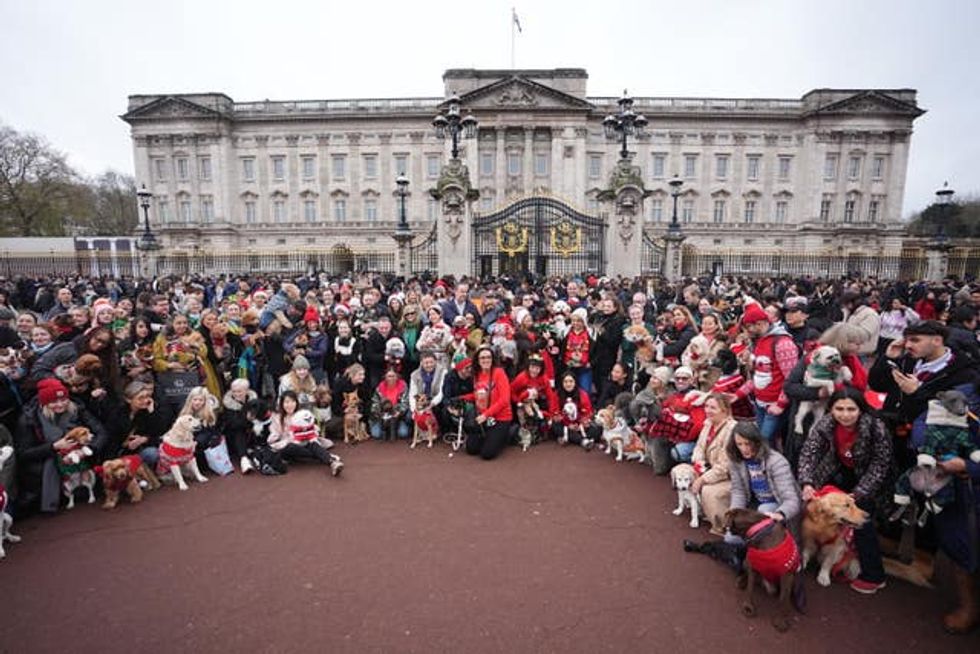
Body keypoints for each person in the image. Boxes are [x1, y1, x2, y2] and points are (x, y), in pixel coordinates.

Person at [797, 387, 891, 594]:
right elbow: (808, 453)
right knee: (814, 506)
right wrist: (807, 482)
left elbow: (880, 465)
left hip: (871, 479)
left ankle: (874, 576)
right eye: (839, 408)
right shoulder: (826, 423)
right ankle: (808, 553)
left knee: (861, 522)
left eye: (851, 409)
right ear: (831, 409)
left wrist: (858, 494)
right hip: (840, 470)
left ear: (861, 410)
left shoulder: (876, 428)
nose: (845, 414)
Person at [14, 378, 108, 514]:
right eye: (54, 401)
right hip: (50, 459)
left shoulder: (78, 408)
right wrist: (53, 447)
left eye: (64, 399)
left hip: (81, 453)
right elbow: (23, 453)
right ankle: (52, 500)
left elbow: (101, 432)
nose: (60, 404)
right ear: (44, 402)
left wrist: (88, 450)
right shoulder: (29, 419)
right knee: (50, 464)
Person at [733, 302, 798, 444]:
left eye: (748, 327)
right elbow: (758, 377)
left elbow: (791, 378)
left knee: (763, 442)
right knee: (765, 443)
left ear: (760, 324)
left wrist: (780, 404)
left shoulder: (783, 343)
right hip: (760, 403)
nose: (747, 331)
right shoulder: (759, 342)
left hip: (774, 404)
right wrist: (737, 395)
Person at [727, 421, 801, 541]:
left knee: (763, 511)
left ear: (757, 442)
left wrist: (780, 514)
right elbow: (738, 491)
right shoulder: (736, 460)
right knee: (731, 538)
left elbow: (792, 500)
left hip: (777, 505)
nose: (744, 449)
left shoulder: (776, 462)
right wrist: (734, 514)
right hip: (755, 503)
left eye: (748, 443)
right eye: (739, 444)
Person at [689, 393, 737, 535]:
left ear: (725, 411)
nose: (708, 410)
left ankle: (721, 526)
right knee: (680, 471)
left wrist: (703, 478)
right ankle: (699, 509)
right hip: (708, 467)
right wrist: (699, 463)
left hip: (728, 476)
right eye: (707, 406)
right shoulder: (708, 423)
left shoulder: (732, 429)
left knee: (709, 491)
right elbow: (699, 447)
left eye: (713, 408)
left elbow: (725, 466)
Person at [268, 390, 343, 476]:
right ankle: (325, 456)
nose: (290, 405)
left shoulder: (302, 414)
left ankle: (332, 462)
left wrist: (312, 431)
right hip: (288, 446)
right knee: (291, 447)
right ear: (282, 404)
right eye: (287, 402)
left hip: (304, 443)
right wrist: (274, 437)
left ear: (296, 403)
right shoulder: (277, 417)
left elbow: (313, 428)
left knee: (312, 444)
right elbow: (274, 436)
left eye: (293, 401)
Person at [462, 346, 512, 460]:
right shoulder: (476, 375)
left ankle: (505, 436)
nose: (486, 360)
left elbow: (505, 399)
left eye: (489, 357)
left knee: (487, 454)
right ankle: (491, 437)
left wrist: (486, 415)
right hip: (483, 417)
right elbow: (477, 395)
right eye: (483, 358)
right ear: (478, 361)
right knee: (471, 449)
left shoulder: (499, 373)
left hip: (500, 418)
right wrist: (461, 398)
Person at [550, 371, 598, 449]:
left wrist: (580, 424)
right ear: (562, 383)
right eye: (565, 382)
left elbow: (588, 412)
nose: (568, 384)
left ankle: (568, 438)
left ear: (575, 382)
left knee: (596, 429)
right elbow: (554, 413)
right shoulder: (556, 395)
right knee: (555, 425)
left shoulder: (582, 394)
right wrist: (568, 425)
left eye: (571, 381)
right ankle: (583, 441)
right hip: (564, 424)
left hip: (580, 425)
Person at [369, 367, 410, 440]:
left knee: (403, 434)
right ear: (385, 377)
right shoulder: (379, 388)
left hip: (397, 416)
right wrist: (379, 413)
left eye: (393, 376)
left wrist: (399, 412)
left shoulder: (403, 386)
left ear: (397, 376)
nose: (391, 378)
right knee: (376, 435)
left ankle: (398, 428)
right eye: (389, 376)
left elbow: (405, 403)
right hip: (382, 416)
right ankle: (382, 428)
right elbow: (375, 403)